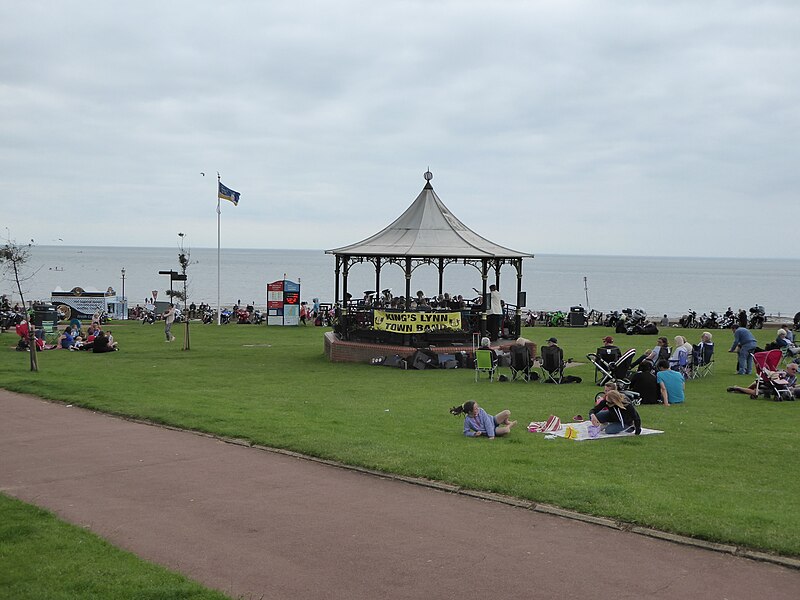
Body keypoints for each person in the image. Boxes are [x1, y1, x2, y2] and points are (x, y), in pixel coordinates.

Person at [450, 400, 517, 439]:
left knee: (507, 412)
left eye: (477, 407)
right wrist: (474, 434)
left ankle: (506, 421)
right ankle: (510, 425)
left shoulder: (481, 411)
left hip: (493, 420)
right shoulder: (467, 420)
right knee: (506, 430)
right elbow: (466, 432)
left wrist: (491, 436)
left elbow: (487, 422)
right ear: (470, 411)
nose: (478, 409)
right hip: (493, 430)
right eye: (475, 408)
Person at [727, 362, 799, 398]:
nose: (794, 371)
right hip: (772, 385)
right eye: (793, 369)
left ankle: (738, 388)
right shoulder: (781, 373)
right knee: (757, 384)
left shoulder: (794, 378)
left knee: (756, 391)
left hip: (778, 389)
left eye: (796, 370)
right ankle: (740, 388)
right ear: (787, 368)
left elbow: (793, 386)